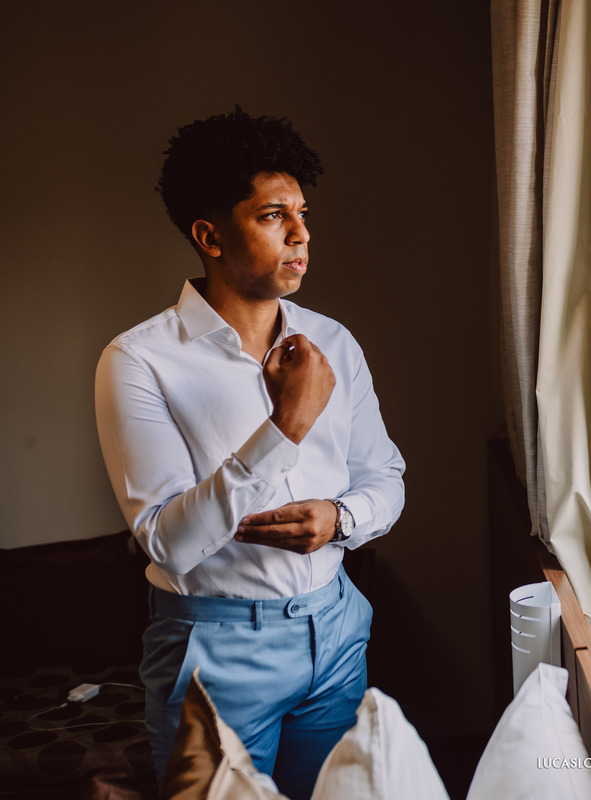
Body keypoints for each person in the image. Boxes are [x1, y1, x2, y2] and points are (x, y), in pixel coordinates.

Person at [94, 107, 406, 799]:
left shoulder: (334, 341)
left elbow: (385, 476)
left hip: (336, 630)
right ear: (209, 236)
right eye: (273, 216)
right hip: (214, 652)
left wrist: (340, 519)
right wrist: (284, 427)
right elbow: (167, 543)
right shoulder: (139, 361)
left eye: (302, 213)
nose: (301, 233)